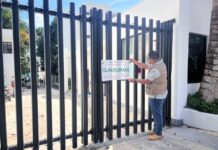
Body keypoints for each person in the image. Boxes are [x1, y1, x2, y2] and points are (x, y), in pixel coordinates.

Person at [129, 50, 168, 141]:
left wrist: (134, 80)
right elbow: (146, 66)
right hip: (161, 93)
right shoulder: (160, 63)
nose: (148, 60)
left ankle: (158, 133)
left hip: (156, 95)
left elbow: (147, 81)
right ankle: (156, 130)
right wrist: (134, 61)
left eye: (148, 59)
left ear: (152, 59)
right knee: (157, 113)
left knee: (157, 114)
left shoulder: (156, 69)